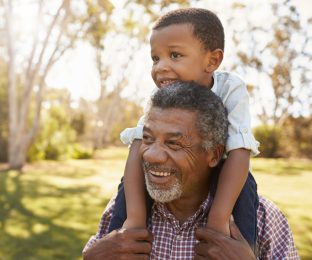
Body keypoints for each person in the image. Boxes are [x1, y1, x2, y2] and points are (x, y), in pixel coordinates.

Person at [83, 82, 299, 259]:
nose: (150, 155)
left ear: (214, 155)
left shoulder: (263, 220)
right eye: (147, 139)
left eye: (174, 143)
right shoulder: (122, 210)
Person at [109, 7, 260, 250]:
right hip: (170, 174)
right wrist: (134, 219)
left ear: (212, 60)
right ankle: (118, 247)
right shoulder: (159, 97)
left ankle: (240, 249)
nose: (161, 67)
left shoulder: (230, 88)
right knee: (127, 187)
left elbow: (240, 150)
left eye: (175, 55)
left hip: (224, 170)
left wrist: (218, 219)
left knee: (246, 188)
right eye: (156, 58)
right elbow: (138, 145)